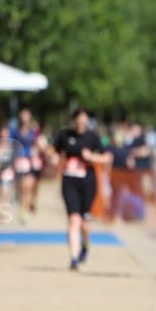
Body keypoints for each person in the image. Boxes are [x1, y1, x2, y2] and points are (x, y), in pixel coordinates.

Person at [49, 109, 112, 270]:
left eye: (84, 122)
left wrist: (92, 157)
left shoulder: (93, 137)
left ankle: (85, 245)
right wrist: (54, 158)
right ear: (74, 121)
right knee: (73, 219)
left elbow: (107, 157)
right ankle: (74, 257)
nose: (81, 125)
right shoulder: (64, 135)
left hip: (87, 183)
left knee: (84, 224)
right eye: (78, 122)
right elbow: (52, 151)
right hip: (69, 181)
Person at [10, 108, 46, 220]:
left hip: (32, 162)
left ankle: (26, 207)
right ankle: (24, 206)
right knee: (22, 187)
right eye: (23, 116)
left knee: (29, 186)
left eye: (27, 116)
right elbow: (11, 145)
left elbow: (41, 145)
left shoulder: (34, 132)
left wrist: (38, 148)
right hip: (20, 162)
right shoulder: (15, 132)